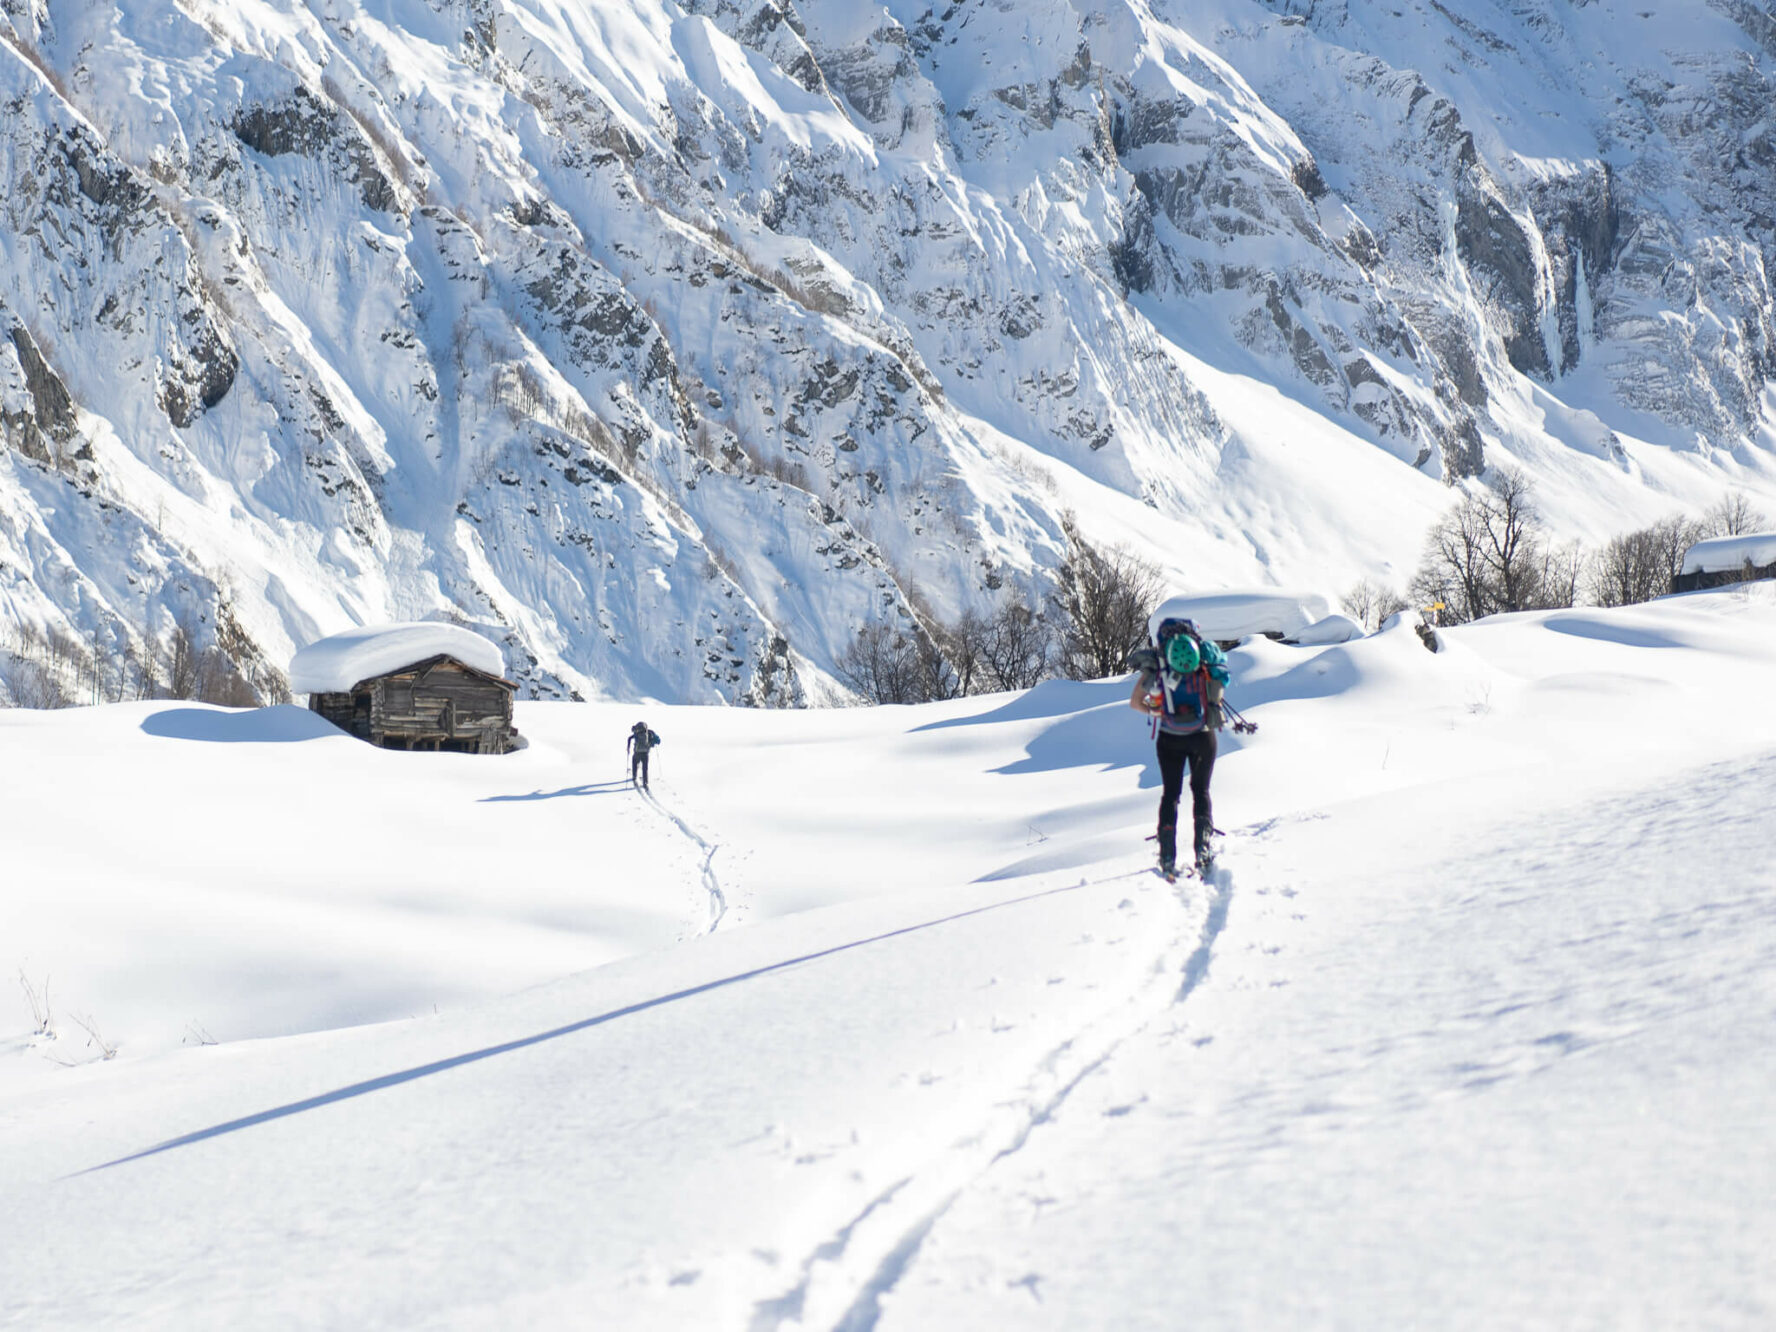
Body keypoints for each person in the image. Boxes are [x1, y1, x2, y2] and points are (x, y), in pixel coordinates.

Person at [1130, 619, 1230, 876]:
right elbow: (1217, 692)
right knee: (1201, 790)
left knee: (1171, 795)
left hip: (1169, 738)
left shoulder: (1158, 664)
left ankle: (1166, 854)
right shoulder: (1205, 661)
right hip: (1202, 737)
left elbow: (1135, 703)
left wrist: (1156, 711)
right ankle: (1203, 848)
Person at [626, 720, 657, 790]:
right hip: (645, 753)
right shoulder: (649, 732)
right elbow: (657, 740)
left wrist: (628, 747)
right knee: (645, 768)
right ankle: (645, 783)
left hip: (637, 752)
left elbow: (629, 738)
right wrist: (652, 744)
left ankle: (634, 777)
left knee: (634, 763)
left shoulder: (636, 733)